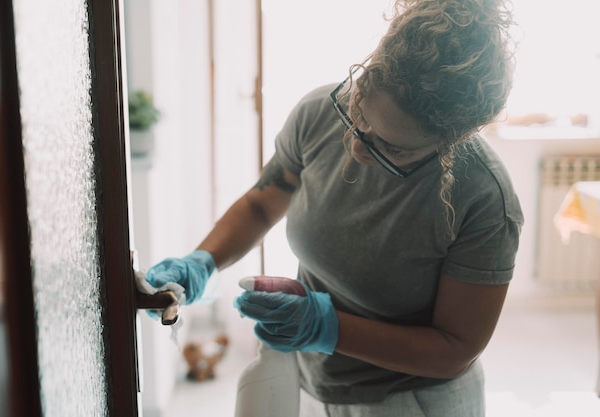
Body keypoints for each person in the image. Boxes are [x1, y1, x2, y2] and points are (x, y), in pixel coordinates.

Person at [146, 0, 523, 415]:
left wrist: (325, 325)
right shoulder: (318, 113)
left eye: (391, 147)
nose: (358, 147)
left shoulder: (483, 199)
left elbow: (454, 349)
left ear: (449, 142)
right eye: (357, 113)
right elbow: (261, 204)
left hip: (411, 402)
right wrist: (203, 261)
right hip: (313, 381)